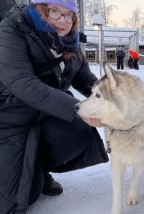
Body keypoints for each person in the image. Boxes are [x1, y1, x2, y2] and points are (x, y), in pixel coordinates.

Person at [0, 0, 109, 213]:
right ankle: (31, 174)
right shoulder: (11, 30)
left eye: (70, 15)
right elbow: (24, 84)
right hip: (11, 120)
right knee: (17, 200)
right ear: (40, 9)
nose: (63, 20)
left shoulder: (70, 42)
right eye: (55, 11)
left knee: (78, 130)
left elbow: (85, 78)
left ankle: (38, 168)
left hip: (43, 115)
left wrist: (112, 98)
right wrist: (81, 109)